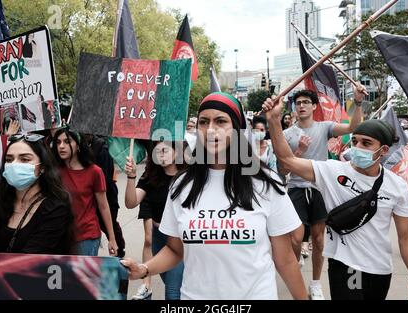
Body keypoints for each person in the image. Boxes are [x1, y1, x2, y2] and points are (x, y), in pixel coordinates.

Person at [121, 92, 308, 300]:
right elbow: (175, 250)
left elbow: (286, 260)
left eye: (220, 121)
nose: (210, 130)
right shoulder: (181, 186)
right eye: (203, 122)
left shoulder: (265, 183)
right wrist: (143, 269)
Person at [263, 97, 408, 300]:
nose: (357, 147)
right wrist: (273, 121)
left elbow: (406, 236)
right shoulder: (331, 172)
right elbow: (287, 160)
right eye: (355, 141)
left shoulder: (397, 186)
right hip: (348, 267)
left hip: (381, 270)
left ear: (383, 150)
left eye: (366, 143)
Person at [276, 87, 364, 299]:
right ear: (294, 108)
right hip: (296, 189)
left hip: (320, 189)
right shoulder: (287, 134)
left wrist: (358, 103)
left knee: (318, 239)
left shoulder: (324, 127)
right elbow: (283, 170)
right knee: (296, 239)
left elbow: (354, 126)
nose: (302, 106)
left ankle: (315, 283)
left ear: (314, 107)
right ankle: (295, 270)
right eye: (298, 103)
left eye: (306, 102)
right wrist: (299, 153)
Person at [0, 133, 74, 254]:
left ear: (42, 167)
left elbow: (30, 260)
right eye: (9, 159)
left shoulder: (56, 208)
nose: (14, 165)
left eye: (24, 159)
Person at [124, 140, 187, 300]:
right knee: (174, 285)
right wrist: (131, 177)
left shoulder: (188, 178)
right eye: (157, 151)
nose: (161, 154)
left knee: (172, 293)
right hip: (158, 237)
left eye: (165, 150)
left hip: (178, 240)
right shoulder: (151, 177)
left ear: (177, 151)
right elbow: (131, 203)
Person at [52, 128, 118, 256]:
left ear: (78, 144)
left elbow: (104, 206)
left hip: (87, 236)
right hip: (61, 236)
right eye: (58, 142)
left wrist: (112, 238)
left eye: (67, 141)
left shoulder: (94, 171)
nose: (61, 146)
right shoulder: (54, 172)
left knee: (84, 276)